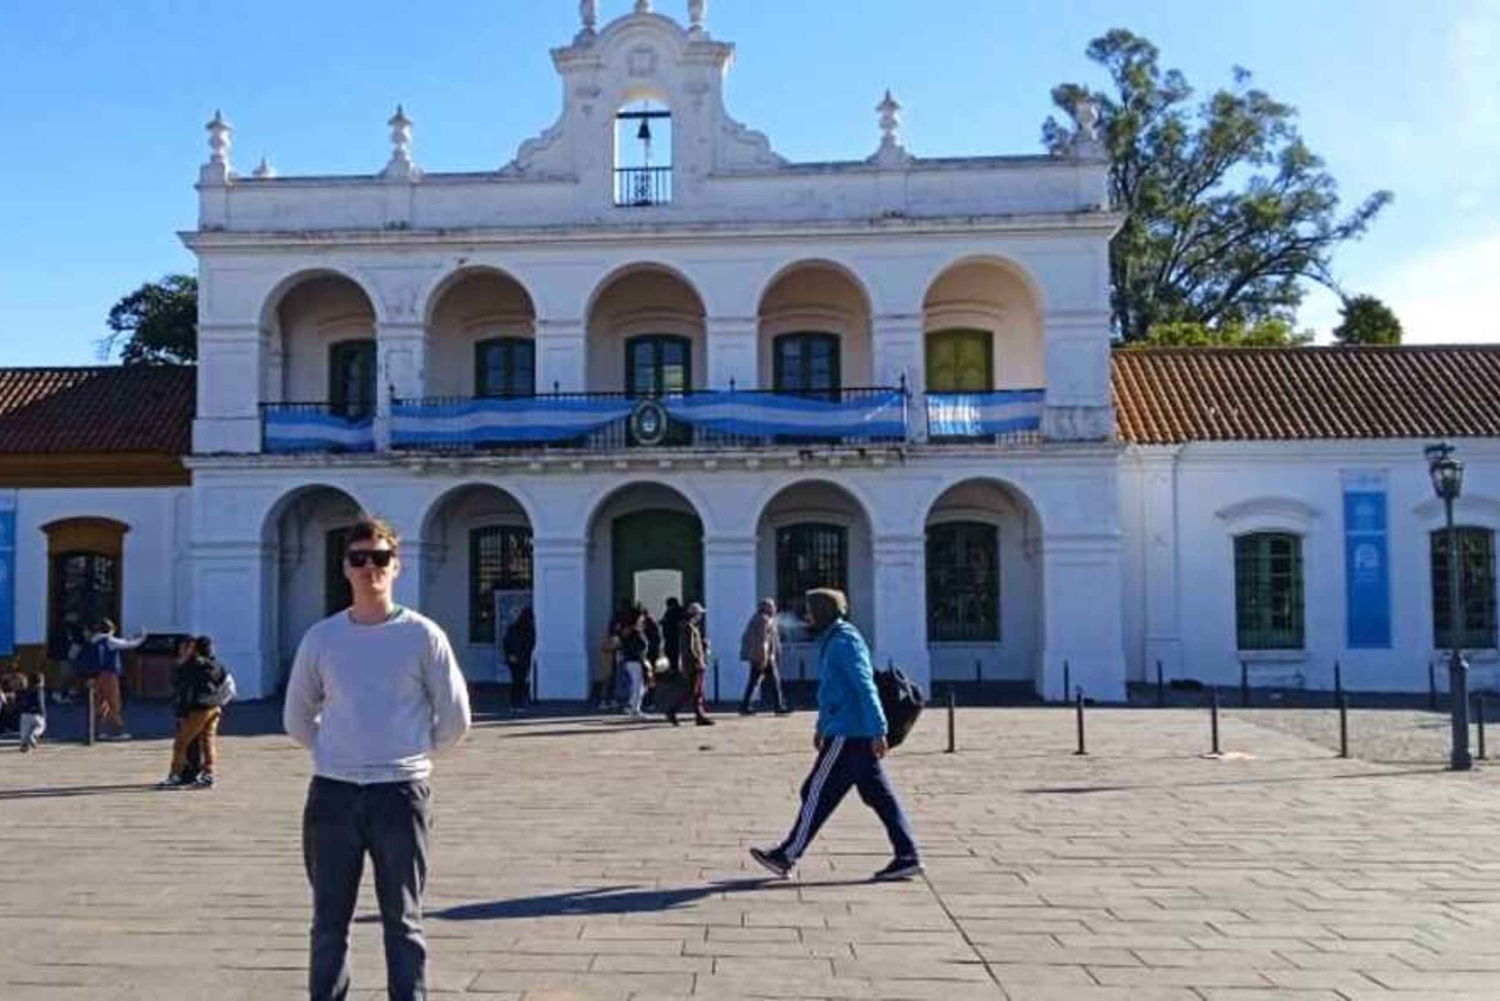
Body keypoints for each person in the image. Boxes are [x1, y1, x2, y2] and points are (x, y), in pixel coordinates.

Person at [284, 516, 472, 1001]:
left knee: (404, 922)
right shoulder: (322, 639)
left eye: (381, 558)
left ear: (397, 566)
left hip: (400, 792)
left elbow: (455, 718)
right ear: (345, 568)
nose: (371, 568)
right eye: (359, 559)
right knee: (329, 923)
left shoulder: (423, 636)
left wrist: (407, 752)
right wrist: (338, 751)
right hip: (333, 794)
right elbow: (297, 717)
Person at [749, 588, 921, 882]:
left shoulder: (843, 642)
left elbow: (864, 686)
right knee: (880, 798)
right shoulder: (836, 640)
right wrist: (820, 726)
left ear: (825, 612)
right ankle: (907, 856)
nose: (807, 617)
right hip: (848, 730)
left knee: (816, 792)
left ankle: (787, 855)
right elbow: (833, 691)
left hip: (849, 733)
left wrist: (879, 729)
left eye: (811, 611)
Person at [159, 636, 229, 788]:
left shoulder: (192, 666)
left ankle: (175, 775)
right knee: (208, 741)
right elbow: (223, 683)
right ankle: (208, 774)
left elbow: (185, 690)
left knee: (181, 743)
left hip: (197, 708)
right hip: (214, 707)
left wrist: (181, 712)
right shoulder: (217, 665)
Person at [89, 618, 146, 740]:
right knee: (114, 703)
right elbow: (129, 644)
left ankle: (96, 731)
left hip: (97, 675)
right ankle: (118, 730)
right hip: (109, 674)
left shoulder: (94, 640)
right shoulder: (109, 640)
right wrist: (141, 637)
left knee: (100, 703)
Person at [739, 597, 788, 715]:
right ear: (766, 608)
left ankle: (745, 706)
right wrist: (764, 657)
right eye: (772, 606)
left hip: (759, 656)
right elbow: (762, 640)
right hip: (763, 657)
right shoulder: (763, 620)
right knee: (774, 682)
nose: (774, 608)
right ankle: (778, 706)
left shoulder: (758, 618)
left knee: (754, 682)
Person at [671, 602, 715, 727]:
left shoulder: (690, 627)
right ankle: (672, 710)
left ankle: (699, 715)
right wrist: (698, 661)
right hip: (694, 664)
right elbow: (689, 648)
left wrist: (703, 645)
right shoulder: (689, 628)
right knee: (692, 691)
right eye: (700, 614)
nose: (701, 616)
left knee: (697, 691)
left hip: (694, 663)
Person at [502, 606, 535, 711]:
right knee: (520, 681)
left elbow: (506, 643)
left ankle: (514, 703)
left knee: (516, 681)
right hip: (523, 659)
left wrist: (509, 655)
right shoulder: (529, 629)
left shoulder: (512, 627)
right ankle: (518, 703)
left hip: (514, 658)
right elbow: (530, 644)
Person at [618, 608, 647, 719]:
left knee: (638, 686)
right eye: (641, 617)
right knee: (638, 686)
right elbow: (641, 646)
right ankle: (635, 710)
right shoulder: (635, 632)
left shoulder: (627, 631)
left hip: (630, 660)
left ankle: (631, 706)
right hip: (636, 660)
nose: (643, 619)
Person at [17, 673, 46, 752]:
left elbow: (20, 701)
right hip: (36, 713)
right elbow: (40, 701)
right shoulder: (39, 689)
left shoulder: (25, 690)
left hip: (24, 714)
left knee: (25, 731)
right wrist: (43, 713)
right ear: (40, 682)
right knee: (41, 726)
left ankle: (24, 745)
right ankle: (33, 735)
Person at [661, 597, 684, 674]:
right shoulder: (670, 611)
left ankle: (674, 669)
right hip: (669, 637)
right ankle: (673, 668)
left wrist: (665, 621)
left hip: (674, 637)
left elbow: (671, 621)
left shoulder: (676, 611)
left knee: (673, 653)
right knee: (670, 653)